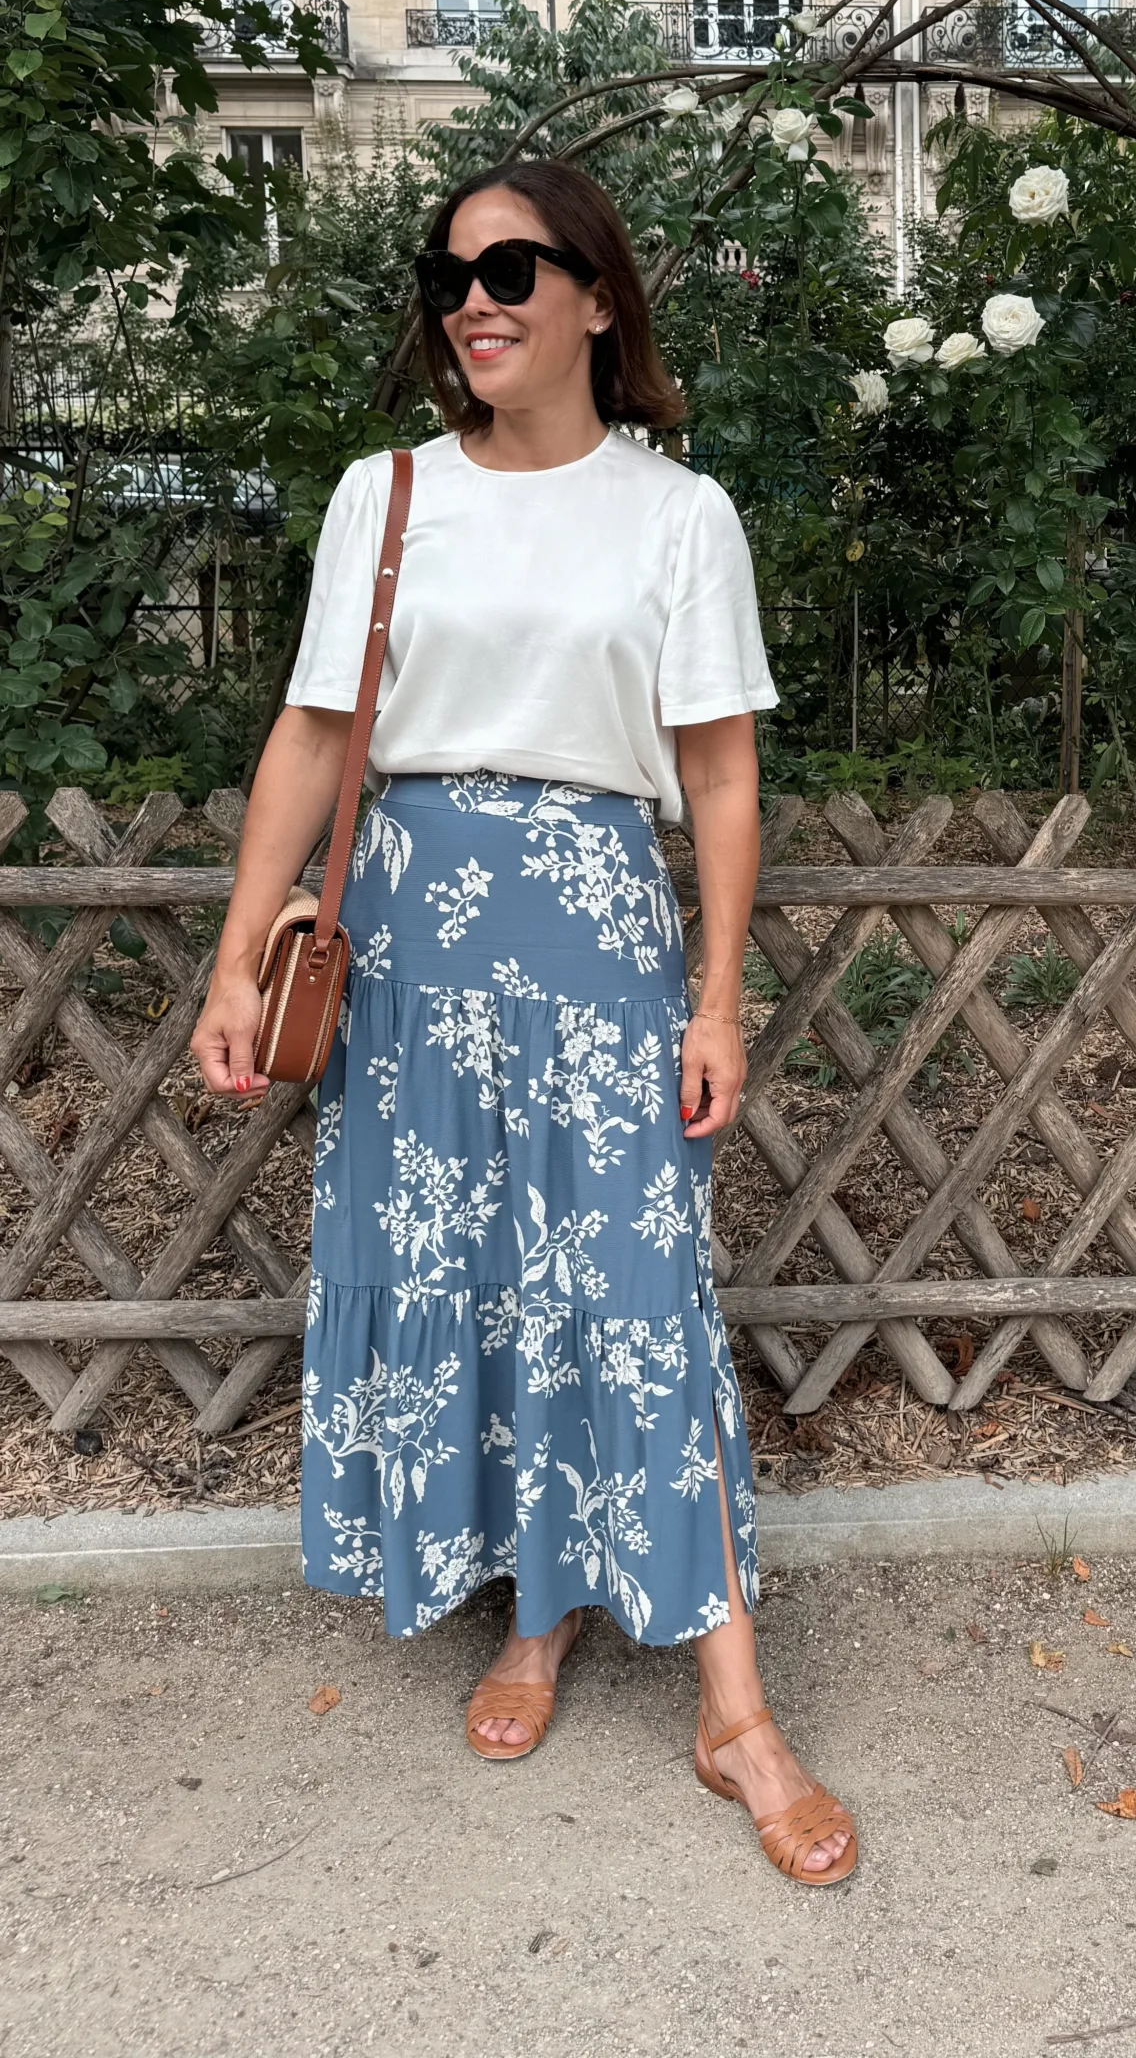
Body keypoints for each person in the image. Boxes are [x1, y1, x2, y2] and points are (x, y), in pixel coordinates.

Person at [191, 158, 857, 1886]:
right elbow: (316, 732)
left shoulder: (677, 517)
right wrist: (236, 958)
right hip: (407, 945)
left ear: (597, 297)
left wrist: (718, 997)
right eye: (448, 277)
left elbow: (721, 776)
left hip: (594, 935)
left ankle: (734, 1708)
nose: (472, 303)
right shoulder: (388, 494)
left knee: (635, 1293)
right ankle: (536, 1619)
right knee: (474, 1278)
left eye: (509, 270)